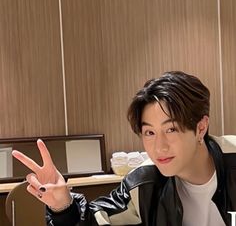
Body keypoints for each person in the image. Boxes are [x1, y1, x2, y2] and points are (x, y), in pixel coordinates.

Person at [12, 71, 236, 226]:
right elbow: (95, 220)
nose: (159, 147)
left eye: (171, 130)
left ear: (200, 127)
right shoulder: (145, 182)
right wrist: (63, 205)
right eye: (149, 133)